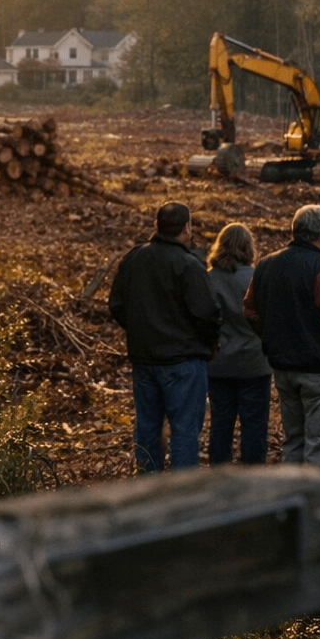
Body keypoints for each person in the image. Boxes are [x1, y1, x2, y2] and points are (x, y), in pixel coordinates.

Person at [108, 202, 221, 472]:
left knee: (147, 430)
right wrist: (211, 342)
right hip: (183, 362)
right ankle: (179, 498)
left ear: (157, 226)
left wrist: (141, 330)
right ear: (186, 228)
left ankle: (149, 489)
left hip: (145, 360)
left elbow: (117, 305)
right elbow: (207, 313)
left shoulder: (135, 258)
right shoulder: (188, 264)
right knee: (184, 433)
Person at [244, 205, 320, 467]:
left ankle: (293, 498)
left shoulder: (266, 265)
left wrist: (272, 335)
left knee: (294, 441)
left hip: (284, 368)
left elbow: (249, 311)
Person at [204, 224, 270, 465]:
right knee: (254, 426)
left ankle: (219, 476)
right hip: (254, 362)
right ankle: (254, 475)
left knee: (221, 423)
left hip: (219, 362)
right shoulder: (256, 277)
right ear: (248, 247)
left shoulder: (209, 279)